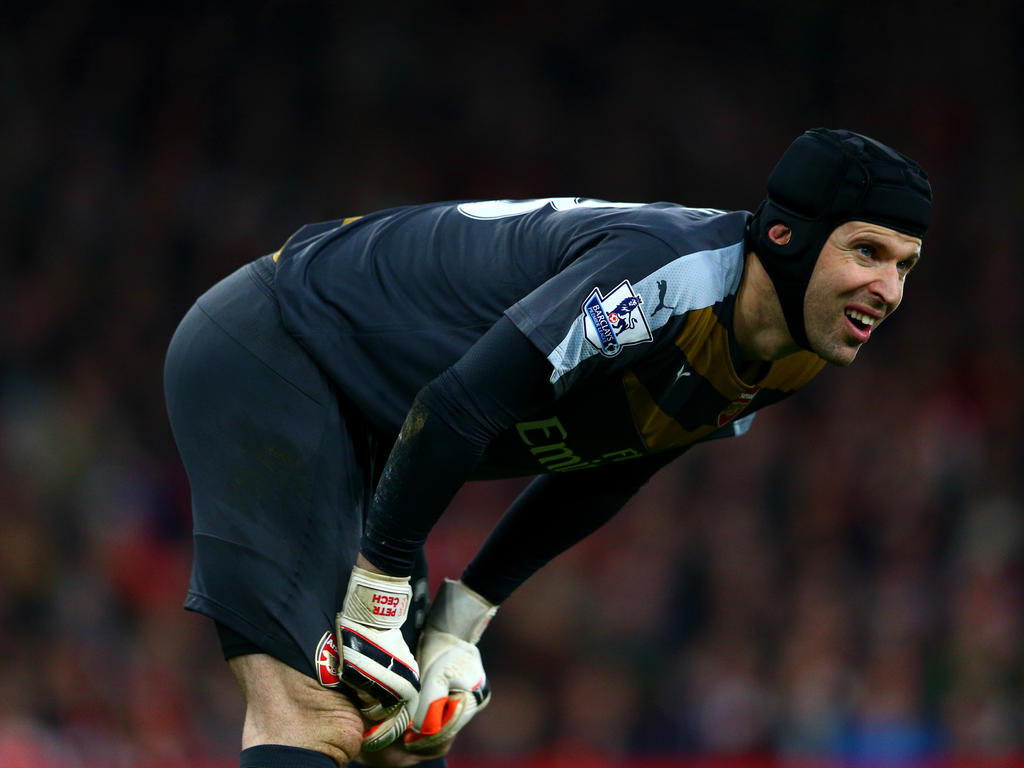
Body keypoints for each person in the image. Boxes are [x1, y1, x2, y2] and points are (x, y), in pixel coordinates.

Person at [163, 128, 931, 768]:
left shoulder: (788, 350)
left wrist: (466, 614)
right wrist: (381, 583)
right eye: (867, 252)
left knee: (391, 735)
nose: (888, 290)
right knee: (313, 710)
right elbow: (460, 404)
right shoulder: (663, 279)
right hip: (276, 347)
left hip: (364, 416)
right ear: (786, 236)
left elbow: (612, 465)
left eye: (904, 266)